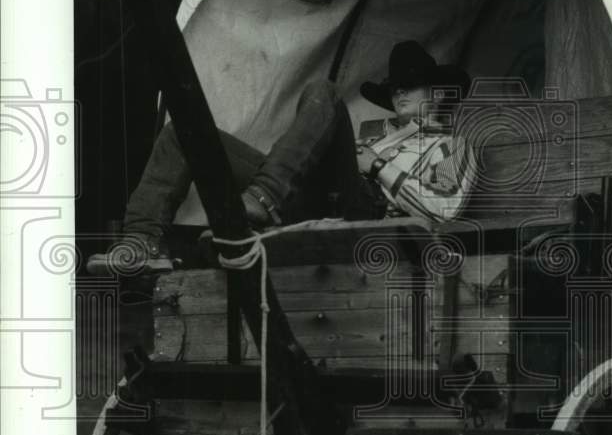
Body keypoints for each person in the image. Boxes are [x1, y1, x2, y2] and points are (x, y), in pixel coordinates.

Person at [87, 40, 474, 275]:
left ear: (438, 93)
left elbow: (443, 209)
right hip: (310, 197)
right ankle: (141, 243)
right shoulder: (376, 132)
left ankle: (262, 199)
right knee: (181, 132)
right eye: (395, 87)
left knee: (325, 92)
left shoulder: (453, 145)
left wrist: (376, 164)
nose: (399, 92)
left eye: (411, 85)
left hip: (368, 214)